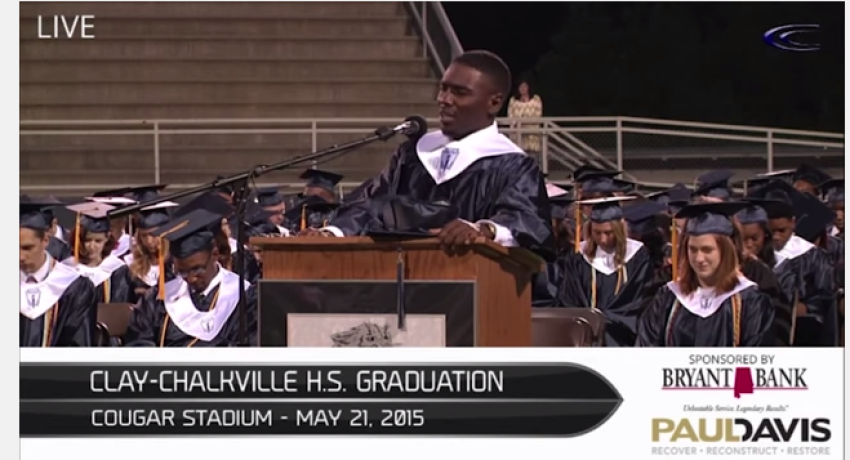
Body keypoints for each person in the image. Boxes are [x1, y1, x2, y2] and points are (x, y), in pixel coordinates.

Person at [304, 50, 553, 257]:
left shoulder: (513, 165)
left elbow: (528, 221)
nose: (444, 99)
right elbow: (371, 205)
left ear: (494, 103)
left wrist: (484, 230)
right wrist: (332, 232)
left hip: (473, 295)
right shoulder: (413, 153)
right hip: (398, 287)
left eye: (459, 92)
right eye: (443, 89)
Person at [637, 202, 775, 347]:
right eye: (693, 249)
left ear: (726, 251)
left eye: (707, 250)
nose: (699, 258)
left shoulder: (751, 301)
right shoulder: (668, 297)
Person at [124, 208, 258, 347]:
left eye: (198, 269)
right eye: (183, 272)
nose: (191, 278)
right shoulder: (159, 297)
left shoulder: (242, 296)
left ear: (215, 254)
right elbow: (138, 340)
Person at [749, 180, 837, 346]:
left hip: (803, 335)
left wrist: (808, 308)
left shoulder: (812, 255)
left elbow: (826, 295)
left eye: (782, 230)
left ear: (793, 223)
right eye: (770, 231)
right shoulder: (755, 255)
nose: (776, 237)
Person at [558, 196, 652, 346]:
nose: (603, 239)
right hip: (587, 335)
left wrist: (607, 319)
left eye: (609, 233)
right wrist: (590, 319)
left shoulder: (638, 256)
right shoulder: (578, 257)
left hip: (624, 336)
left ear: (620, 229)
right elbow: (569, 298)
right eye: (597, 232)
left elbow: (640, 300)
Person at [20, 201, 97, 347]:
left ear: (45, 240)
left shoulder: (74, 286)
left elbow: (78, 345)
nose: (20, 256)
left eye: (27, 248)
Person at [64, 202, 131, 304]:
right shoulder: (66, 267)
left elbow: (120, 305)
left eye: (98, 241)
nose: (92, 246)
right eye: (87, 240)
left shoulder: (117, 269)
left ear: (107, 238)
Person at [113, 201, 178, 304]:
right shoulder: (129, 265)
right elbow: (121, 304)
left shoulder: (177, 265)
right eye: (144, 236)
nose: (148, 241)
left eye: (153, 234)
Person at [507, 79, 543, 154]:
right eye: (521, 87)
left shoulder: (536, 99)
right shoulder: (513, 100)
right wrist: (519, 121)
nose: (523, 89)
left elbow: (538, 115)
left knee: (532, 159)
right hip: (517, 136)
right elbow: (510, 116)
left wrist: (523, 120)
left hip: (532, 136)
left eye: (524, 86)